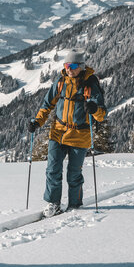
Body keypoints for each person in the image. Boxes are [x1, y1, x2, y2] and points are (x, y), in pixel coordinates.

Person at [28, 48, 107, 217]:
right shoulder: (61, 82)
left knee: (74, 174)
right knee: (52, 170)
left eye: (72, 66)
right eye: (66, 65)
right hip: (58, 131)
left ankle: (74, 205)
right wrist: (37, 122)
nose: (69, 69)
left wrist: (94, 109)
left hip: (80, 136)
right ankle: (53, 203)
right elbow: (47, 104)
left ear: (81, 66)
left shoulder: (90, 85)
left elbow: (101, 115)